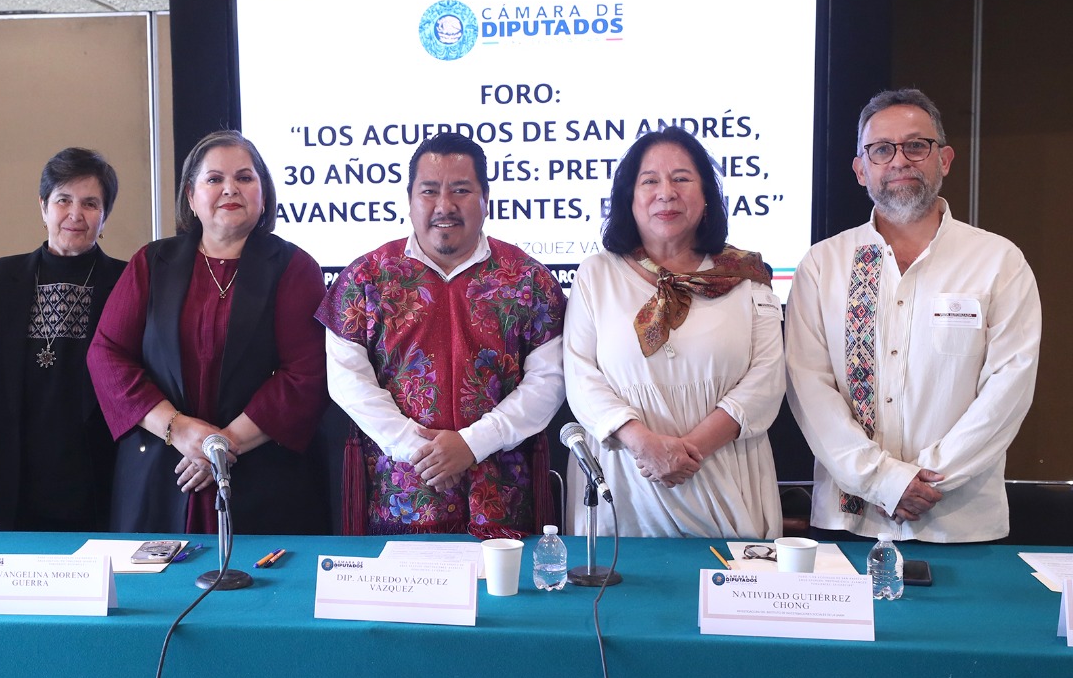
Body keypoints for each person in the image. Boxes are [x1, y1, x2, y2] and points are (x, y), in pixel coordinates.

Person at [785, 88, 1041, 542]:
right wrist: (881, 481)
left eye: (916, 146)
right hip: (851, 519)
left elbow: (1009, 388)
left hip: (958, 522)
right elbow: (809, 388)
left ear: (944, 159)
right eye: (882, 150)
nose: (900, 160)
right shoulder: (823, 265)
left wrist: (928, 480)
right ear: (860, 169)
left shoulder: (998, 261)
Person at [317, 131, 566, 538]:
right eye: (429, 191)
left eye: (461, 190)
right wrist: (420, 451)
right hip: (402, 496)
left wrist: (472, 444)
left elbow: (549, 381)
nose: (444, 206)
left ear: (486, 198)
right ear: (410, 199)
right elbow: (348, 381)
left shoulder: (528, 279)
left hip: (501, 498)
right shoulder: (366, 279)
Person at [86, 131, 329, 534]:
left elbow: (307, 374)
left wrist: (220, 446)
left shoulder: (295, 267)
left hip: (262, 476)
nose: (230, 188)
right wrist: (178, 429)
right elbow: (106, 354)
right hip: (164, 470)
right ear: (191, 195)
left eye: (244, 178)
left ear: (263, 194)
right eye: (214, 179)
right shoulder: (152, 262)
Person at [563, 127, 785, 539]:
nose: (666, 193)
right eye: (650, 181)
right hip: (628, 475)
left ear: (706, 196)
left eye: (681, 178)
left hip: (724, 472)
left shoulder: (747, 275)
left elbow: (768, 377)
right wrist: (644, 444)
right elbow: (580, 376)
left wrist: (688, 452)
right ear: (629, 198)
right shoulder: (596, 275)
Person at [0, 148, 126, 531]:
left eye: (90, 203)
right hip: (12, 479)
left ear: (105, 215)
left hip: (99, 481)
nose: (75, 214)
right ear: (43, 207)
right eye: (63, 200)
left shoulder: (129, 283)